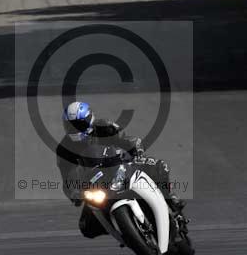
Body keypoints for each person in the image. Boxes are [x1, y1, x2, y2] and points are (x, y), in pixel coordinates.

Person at [56, 102, 185, 238]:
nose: (76, 129)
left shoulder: (104, 126)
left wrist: (135, 146)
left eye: (79, 124)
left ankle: (171, 200)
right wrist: (74, 193)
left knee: (159, 167)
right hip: (96, 183)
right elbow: (67, 177)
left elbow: (125, 139)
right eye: (71, 126)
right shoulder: (64, 149)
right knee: (86, 227)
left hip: (121, 164)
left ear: (90, 119)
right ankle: (125, 228)